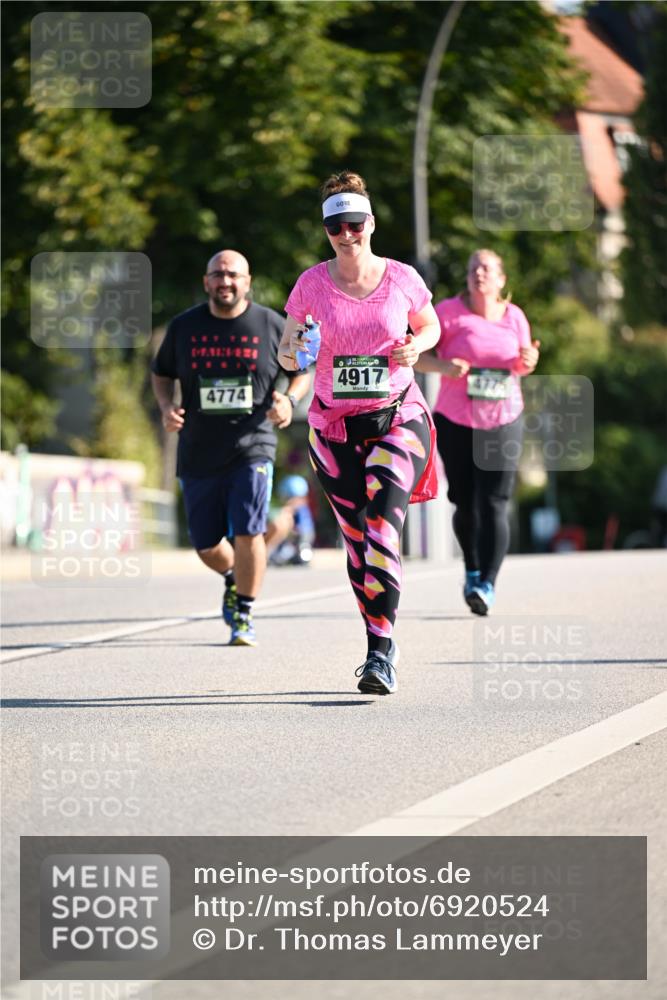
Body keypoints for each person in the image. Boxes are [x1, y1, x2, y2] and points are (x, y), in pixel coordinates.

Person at [278, 171, 441, 695]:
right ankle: (375, 638)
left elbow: (430, 324)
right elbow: (289, 348)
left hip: (397, 417)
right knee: (356, 543)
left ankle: (381, 654)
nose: (345, 235)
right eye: (334, 228)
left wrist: (416, 346)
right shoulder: (310, 284)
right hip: (332, 428)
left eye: (353, 224)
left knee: (382, 527)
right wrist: (294, 352)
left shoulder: (401, 278)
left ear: (370, 223)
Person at [151, 249, 310, 646]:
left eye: (233, 275)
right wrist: (168, 406)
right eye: (218, 275)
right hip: (198, 449)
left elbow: (300, 372)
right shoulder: (184, 327)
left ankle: (244, 613)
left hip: (252, 446)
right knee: (205, 545)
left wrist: (288, 400)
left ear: (247, 281)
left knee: (248, 531)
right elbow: (161, 373)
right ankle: (231, 577)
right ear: (207, 282)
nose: (226, 282)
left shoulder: (273, 324)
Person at [415, 248, 540, 615]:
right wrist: (442, 365)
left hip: (503, 419)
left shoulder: (515, 317)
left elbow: (523, 362)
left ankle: (487, 583)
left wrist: (529, 361)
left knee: (495, 503)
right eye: (473, 269)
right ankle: (471, 568)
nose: (478, 274)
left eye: (486, 269)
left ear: (501, 279)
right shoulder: (447, 314)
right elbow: (416, 355)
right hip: (456, 420)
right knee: (465, 502)